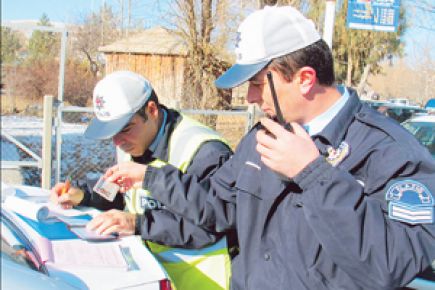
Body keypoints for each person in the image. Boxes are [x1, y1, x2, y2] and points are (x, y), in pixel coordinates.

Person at [101, 6, 435, 290]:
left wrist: (314, 174)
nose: (250, 99)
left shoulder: (391, 153)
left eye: (259, 84)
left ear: (305, 78)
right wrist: (154, 179)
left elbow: (391, 264)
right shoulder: (263, 136)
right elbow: (218, 208)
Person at [50, 71, 233, 290]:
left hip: (203, 282)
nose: (118, 142)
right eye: (112, 133)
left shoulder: (205, 150)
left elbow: (214, 224)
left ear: (152, 110)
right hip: (150, 278)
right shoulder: (132, 142)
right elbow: (119, 193)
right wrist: (83, 195)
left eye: (125, 129)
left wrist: (137, 223)